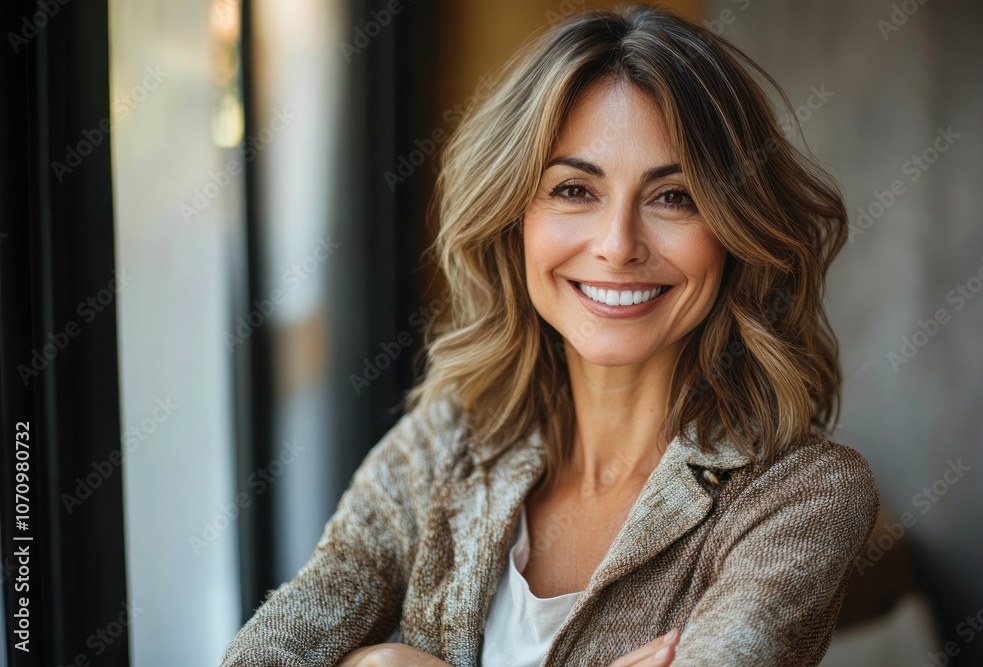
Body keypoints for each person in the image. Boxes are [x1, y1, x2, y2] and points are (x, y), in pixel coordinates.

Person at [220, 4, 879, 666]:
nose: (618, 245)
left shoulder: (803, 495)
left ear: (738, 230)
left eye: (674, 197)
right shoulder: (444, 443)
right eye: (574, 190)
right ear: (515, 219)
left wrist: (382, 663)